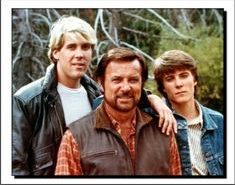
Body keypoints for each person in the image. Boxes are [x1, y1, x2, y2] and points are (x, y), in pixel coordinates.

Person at [12, 16, 176, 176]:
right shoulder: (28, 100)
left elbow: (125, 96)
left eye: (86, 47)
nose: (80, 54)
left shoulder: (96, 93)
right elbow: (15, 165)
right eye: (71, 47)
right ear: (55, 52)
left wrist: (153, 99)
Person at [55, 47, 182, 175]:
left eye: (133, 80)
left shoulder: (163, 131)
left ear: (142, 83)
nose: (126, 88)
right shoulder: (76, 137)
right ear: (101, 83)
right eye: (117, 80)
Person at [154, 50, 224, 175]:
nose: (178, 84)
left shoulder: (219, 121)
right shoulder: (156, 123)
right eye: (170, 79)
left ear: (194, 80)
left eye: (184, 75)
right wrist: (151, 98)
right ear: (163, 87)